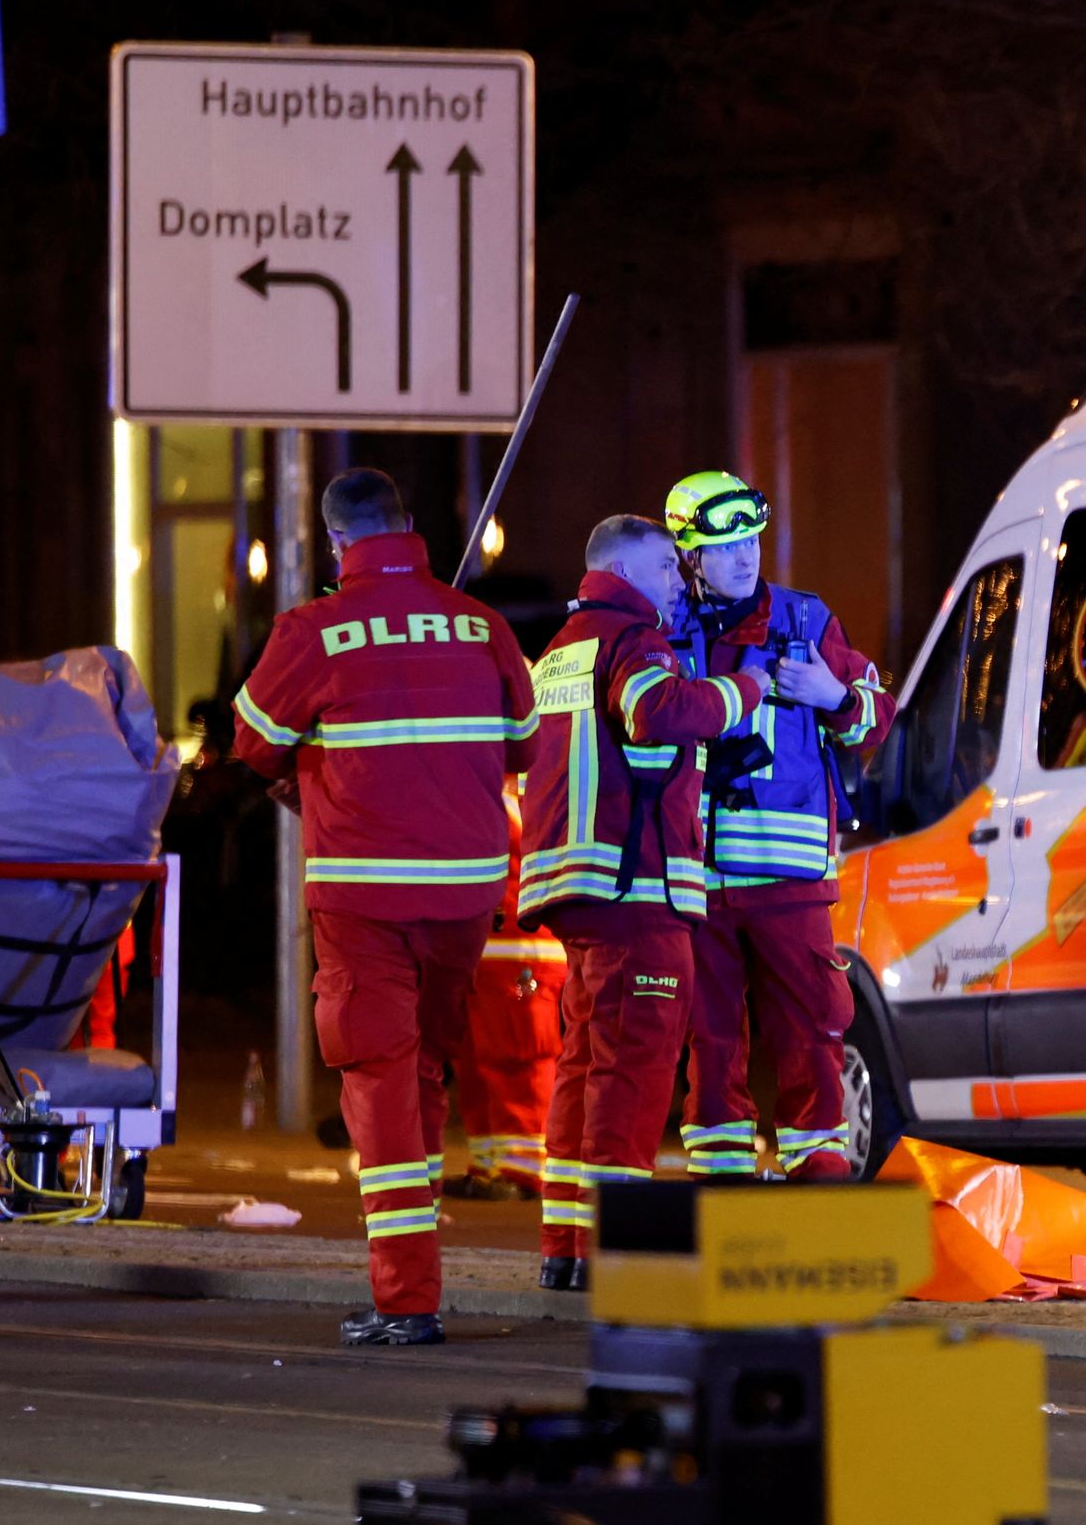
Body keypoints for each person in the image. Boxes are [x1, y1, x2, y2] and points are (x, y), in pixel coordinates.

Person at [231, 473, 538, 1346]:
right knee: (424, 1072)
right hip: (468, 897)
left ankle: (407, 1299)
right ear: (410, 524)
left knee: (379, 1085)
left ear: (336, 546)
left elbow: (253, 741)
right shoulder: (481, 626)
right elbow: (523, 745)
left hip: (365, 896)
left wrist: (313, 780)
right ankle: (419, 1277)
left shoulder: (313, 631)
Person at [518, 512, 768, 1283]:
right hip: (634, 889)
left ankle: (567, 1247)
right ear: (625, 573)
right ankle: (614, 1253)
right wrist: (743, 691)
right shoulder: (634, 638)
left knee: (586, 1065)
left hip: (572, 888)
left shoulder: (559, 652)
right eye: (666, 566)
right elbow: (659, 712)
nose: (677, 580)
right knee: (633, 1074)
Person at [664, 471, 891, 1181]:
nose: (746, 557)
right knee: (710, 1040)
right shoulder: (663, 631)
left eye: (752, 540)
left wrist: (834, 696)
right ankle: (720, 1178)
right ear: (689, 558)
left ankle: (818, 1175)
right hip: (695, 878)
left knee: (811, 1033)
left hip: (788, 877)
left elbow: (879, 717)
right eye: (725, 546)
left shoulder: (805, 621)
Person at [451, 781, 566, 1201]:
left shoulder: (524, 788)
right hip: (487, 952)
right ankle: (489, 1162)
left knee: (517, 1060)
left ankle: (524, 1170)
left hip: (522, 955)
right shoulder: (490, 783)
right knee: (477, 1062)